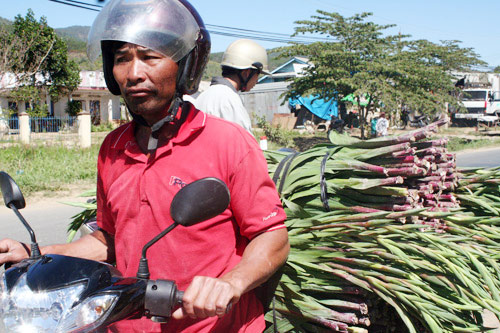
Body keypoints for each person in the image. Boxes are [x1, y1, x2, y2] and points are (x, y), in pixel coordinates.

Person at [0, 1, 290, 332]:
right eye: (122, 59)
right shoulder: (113, 147)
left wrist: (230, 284)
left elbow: (272, 236)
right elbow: (109, 240)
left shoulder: (228, 142)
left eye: (150, 56)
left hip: (212, 326)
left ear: (185, 65)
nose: (134, 73)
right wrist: (35, 253)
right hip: (124, 323)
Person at [193, 39, 271, 134]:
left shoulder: (205, 95)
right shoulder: (229, 99)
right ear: (247, 73)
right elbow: (244, 144)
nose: (257, 81)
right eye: (257, 75)